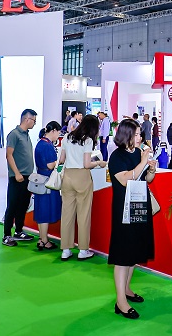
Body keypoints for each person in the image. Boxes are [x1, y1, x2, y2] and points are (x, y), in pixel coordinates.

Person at [108, 119, 156, 319]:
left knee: (134, 252)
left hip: (139, 207)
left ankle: (126, 289)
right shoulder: (116, 156)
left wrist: (151, 169)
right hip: (124, 211)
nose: (139, 138)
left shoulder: (138, 153)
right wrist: (144, 162)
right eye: (136, 134)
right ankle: (120, 302)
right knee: (122, 256)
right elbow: (126, 179)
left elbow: (146, 179)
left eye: (139, 134)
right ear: (126, 135)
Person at [60, 115, 107, 260]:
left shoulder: (67, 137)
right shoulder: (88, 140)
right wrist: (98, 163)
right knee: (83, 215)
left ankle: (65, 249)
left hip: (67, 177)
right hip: (82, 178)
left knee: (66, 215)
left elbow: (61, 159)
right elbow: (87, 164)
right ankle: (83, 250)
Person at [3, 109, 37, 247]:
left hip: (27, 177)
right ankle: (6, 235)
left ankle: (18, 231)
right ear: (27, 119)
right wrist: (16, 173)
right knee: (12, 205)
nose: (34, 123)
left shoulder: (26, 135)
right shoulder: (14, 134)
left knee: (23, 205)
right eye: (33, 120)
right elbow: (9, 155)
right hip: (17, 177)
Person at [33, 121, 63, 250]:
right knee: (46, 210)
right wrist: (60, 161)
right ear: (54, 130)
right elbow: (51, 165)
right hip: (48, 181)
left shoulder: (40, 143)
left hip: (40, 180)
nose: (58, 136)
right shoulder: (47, 145)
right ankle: (45, 240)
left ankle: (42, 238)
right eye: (58, 133)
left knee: (41, 210)